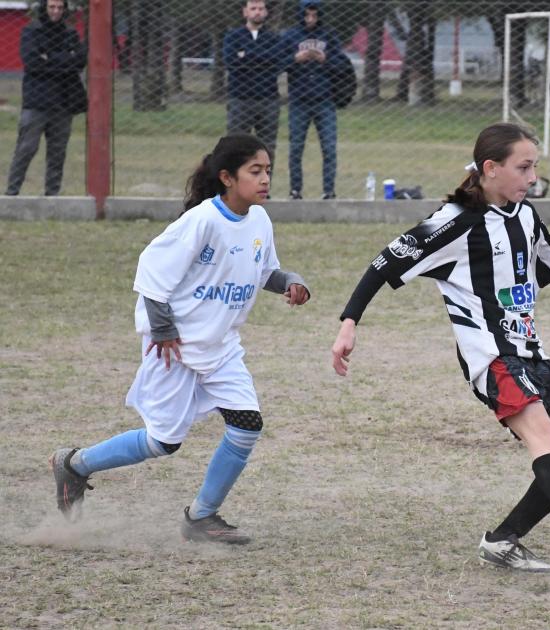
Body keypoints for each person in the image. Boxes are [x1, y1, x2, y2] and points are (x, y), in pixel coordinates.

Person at [330, 122, 550, 575]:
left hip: (531, 350)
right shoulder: (454, 221)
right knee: (546, 439)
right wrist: (349, 323)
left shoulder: (524, 214)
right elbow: (384, 264)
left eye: (534, 167)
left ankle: (503, 540)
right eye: (524, 167)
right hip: (491, 355)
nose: (532, 177)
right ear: (491, 168)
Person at [49, 134, 311, 544]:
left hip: (220, 347)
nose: (265, 179)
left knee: (246, 426)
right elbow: (152, 273)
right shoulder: (202, 221)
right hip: (175, 347)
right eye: (255, 171)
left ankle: (201, 517)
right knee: (163, 442)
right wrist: (164, 330)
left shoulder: (260, 220)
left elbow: (264, 272)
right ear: (227, 177)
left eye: (268, 171)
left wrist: (290, 282)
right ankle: (75, 465)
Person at [5, 0, 87, 197]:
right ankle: (11, 193)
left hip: (64, 101)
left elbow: (79, 62)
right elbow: (32, 63)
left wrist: (49, 58)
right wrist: (65, 60)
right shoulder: (31, 31)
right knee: (26, 149)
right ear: (44, 7)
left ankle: (52, 195)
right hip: (36, 102)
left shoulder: (70, 33)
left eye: (60, 7)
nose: (56, 11)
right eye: (52, 7)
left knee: (57, 153)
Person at [281, 0, 340, 200]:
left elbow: (342, 65)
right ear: (301, 15)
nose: (311, 19)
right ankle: (295, 190)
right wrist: (296, 59)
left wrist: (325, 59)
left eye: (314, 15)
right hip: (299, 100)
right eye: (307, 15)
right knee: (296, 148)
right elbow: (278, 64)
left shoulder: (329, 35)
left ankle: (328, 191)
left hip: (325, 100)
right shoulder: (290, 36)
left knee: (329, 148)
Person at [223, 0, 283, 156]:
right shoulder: (233, 36)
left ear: (266, 12)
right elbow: (231, 63)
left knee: (267, 148)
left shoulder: (274, 38)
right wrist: (265, 58)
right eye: (253, 8)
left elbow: (278, 64)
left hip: (268, 99)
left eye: (261, 9)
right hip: (240, 99)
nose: (257, 12)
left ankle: (264, 174)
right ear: (245, 12)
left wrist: (246, 55)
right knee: (236, 147)